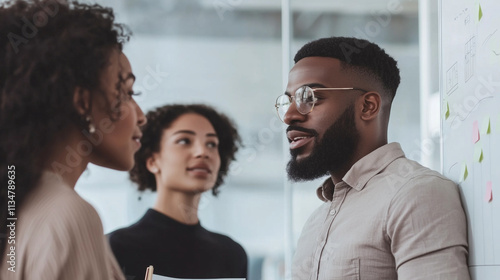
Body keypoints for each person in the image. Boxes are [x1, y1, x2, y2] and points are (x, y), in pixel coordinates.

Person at [274, 37, 470, 279]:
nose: (290, 115)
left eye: (309, 97)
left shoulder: (416, 194)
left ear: (368, 106)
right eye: (288, 101)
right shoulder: (317, 221)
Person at [0, 0, 147, 279]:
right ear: (82, 101)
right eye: (127, 93)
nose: (141, 117)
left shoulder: (16, 205)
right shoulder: (70, 215)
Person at [108, 104, 247, 280]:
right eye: (184, 141)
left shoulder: (232, 255)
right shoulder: (117, 247)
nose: (203, 152)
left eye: (212, 144)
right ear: (152, 161)